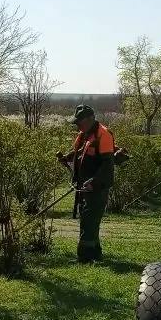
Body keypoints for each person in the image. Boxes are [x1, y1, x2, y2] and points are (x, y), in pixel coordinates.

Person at [56, 105, 125, 263]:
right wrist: (67, 157)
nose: (77, 125)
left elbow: (107, 164)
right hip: (84, 185)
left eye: (79, 122)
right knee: (89, 220)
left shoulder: (104, 134)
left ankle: (84, 257)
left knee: (89, 220)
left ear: (89, 119)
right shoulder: (84, 134)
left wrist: (94, 182)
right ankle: (94, 253)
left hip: (96, 186)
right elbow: (79, 152)